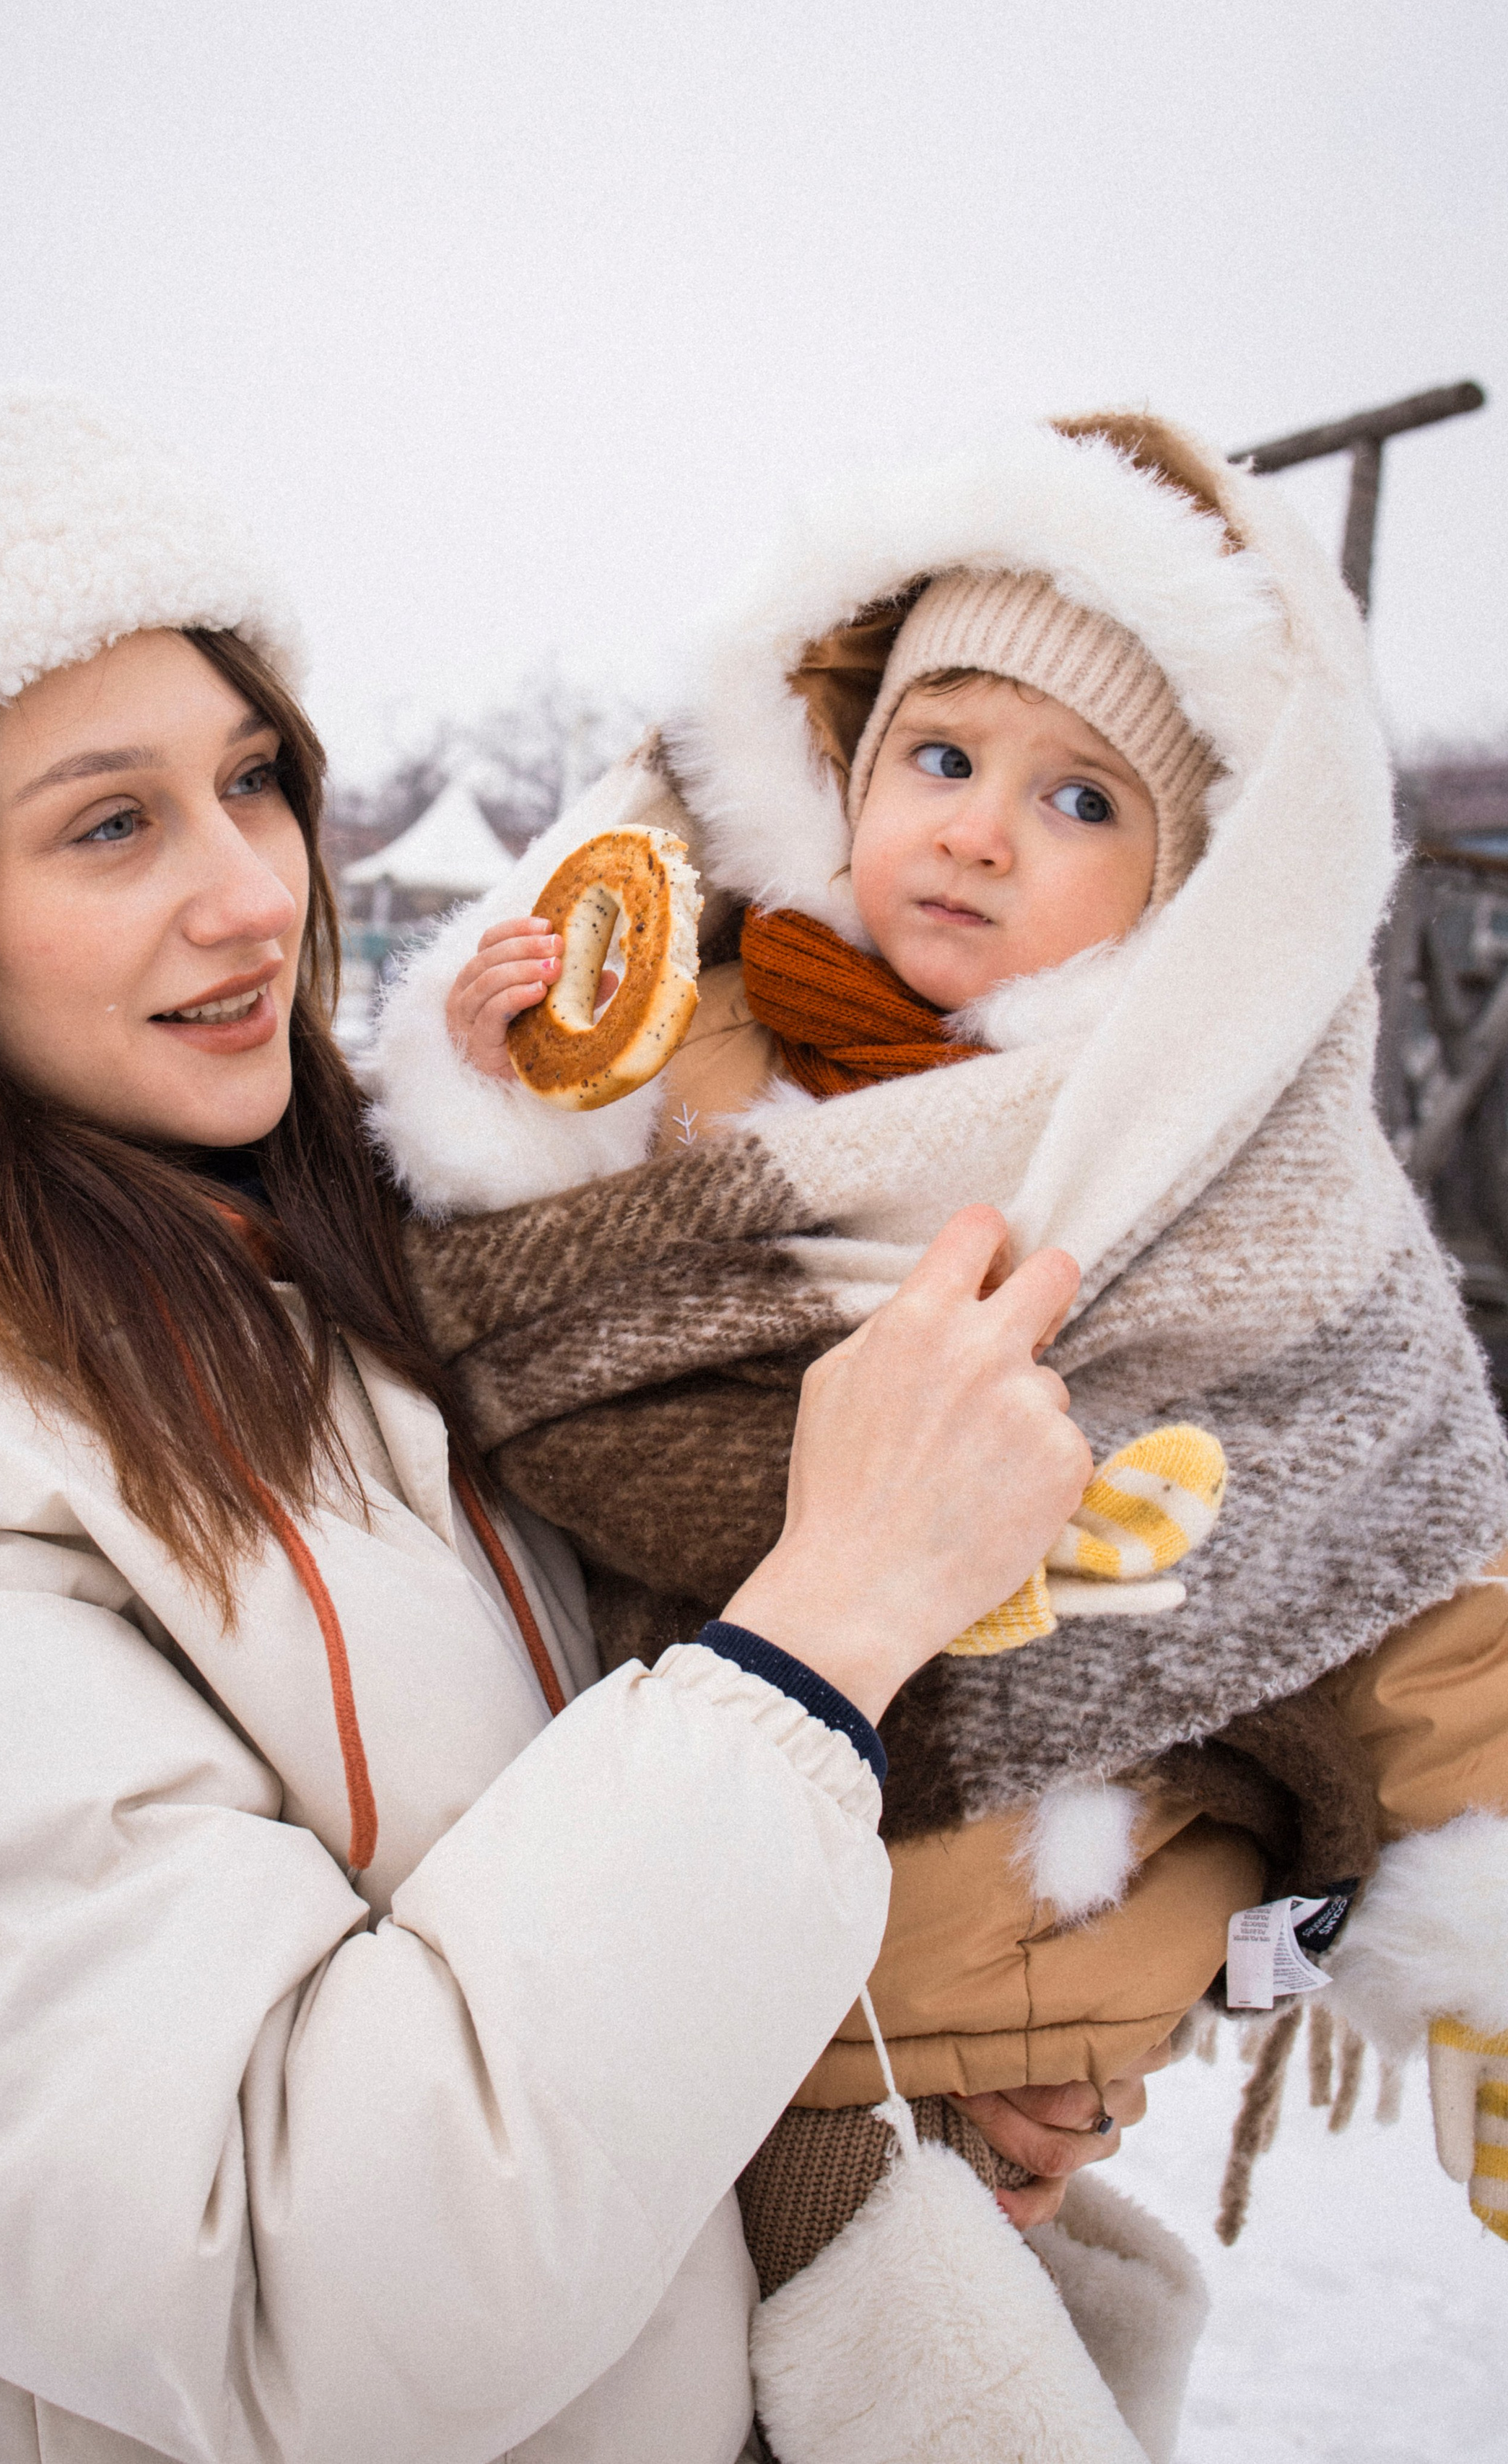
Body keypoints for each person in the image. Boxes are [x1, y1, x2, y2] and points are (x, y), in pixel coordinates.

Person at [0, 378, 1137, 2464]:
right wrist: (831, 1618)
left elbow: (556, 1942)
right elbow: (294, 2283)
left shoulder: (342, 1311)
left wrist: (901, 2066)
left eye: (253, 778)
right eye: (111, 821)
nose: (256, 893)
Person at [366, 411, 1508, 2330]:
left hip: (1042, 1935)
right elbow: (509, 1295)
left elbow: (1405, 1562)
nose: (980, 827)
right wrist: (492, 1085)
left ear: (1190, 887)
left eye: (1083, 804)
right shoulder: (696, 1044)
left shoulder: (1222, 1174)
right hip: (702, 1936)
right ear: (844, 773)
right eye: (946, 756)